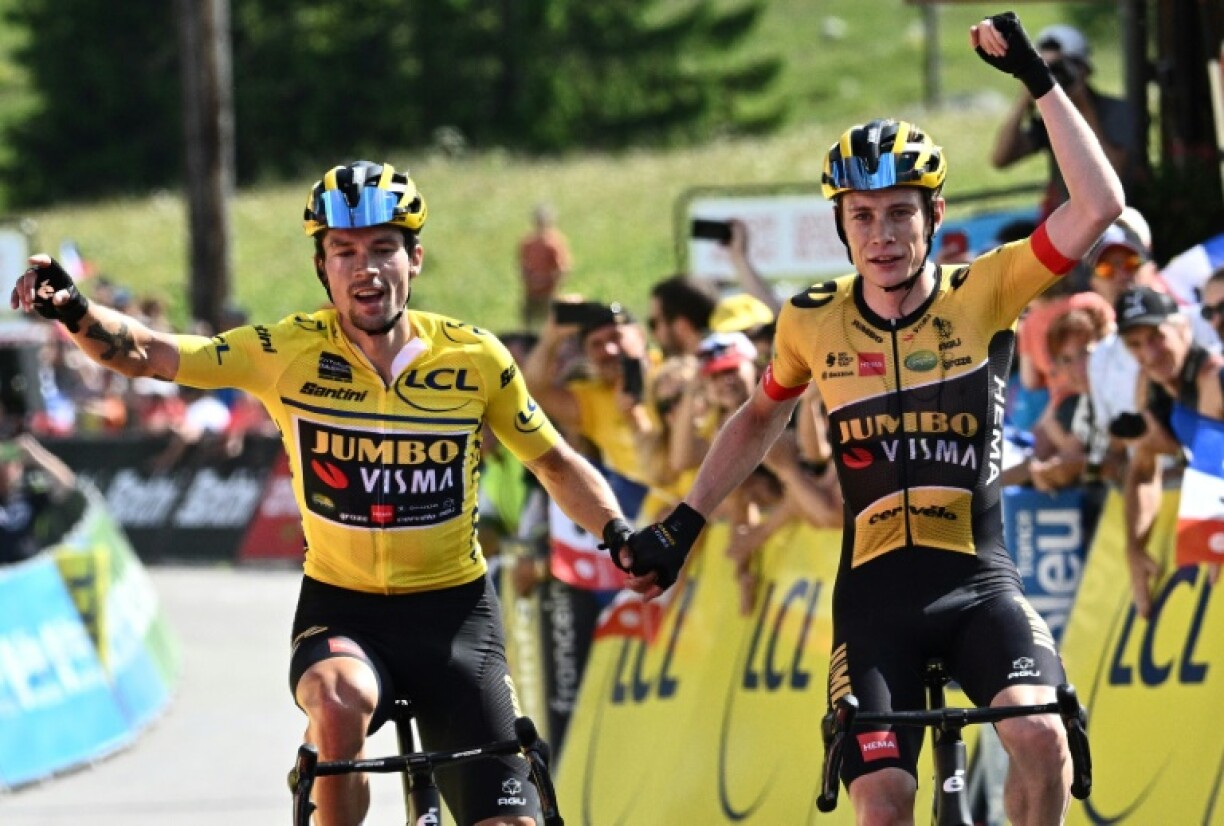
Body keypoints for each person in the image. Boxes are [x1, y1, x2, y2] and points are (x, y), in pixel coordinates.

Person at [605, 13, 1124, 825]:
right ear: (841, 225)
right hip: (874, 598)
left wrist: (1039, 82)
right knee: (882, 802)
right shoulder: (811, 320)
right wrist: (683, 524)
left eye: (898, 213)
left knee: (1039, 731)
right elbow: (755, 418)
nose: (881, 234)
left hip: (978, 582)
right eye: (862, 216)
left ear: (933, 216)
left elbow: (1099, 205)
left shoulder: (984, 290)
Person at [11, 160, 633, 826]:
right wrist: (73, 309)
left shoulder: (476, 358)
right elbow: (152, 355)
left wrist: (624, 538)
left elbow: (558, 464)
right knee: (339, 708)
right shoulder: (286, 351)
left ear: (414, 259)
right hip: (345, 614)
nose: (366, 268)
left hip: (455, 618)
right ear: (322, 267)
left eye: (383, 249)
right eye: (345, 252)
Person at [1115, 286, 1224, 619]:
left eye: (1156, 337)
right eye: (1135, 344)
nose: (1148, 353)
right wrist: (1135, 549)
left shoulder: (1214, 376)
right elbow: (1144, 470)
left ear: (1183, 329)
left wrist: (1211, 534)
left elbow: (1214, 465)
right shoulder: (1148, 386)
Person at [991, 21, 1141, 221]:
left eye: (1061, 68)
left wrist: (1083, 106)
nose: (1055, 77)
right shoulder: (1051, 117)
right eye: (1047, 70)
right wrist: (1025, 96)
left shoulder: (1116, 111)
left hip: (1113, 222)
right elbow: (1001, 159)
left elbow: (1114, 171)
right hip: (1069, 224)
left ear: (1085, 70)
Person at [0, 432, 78, 564]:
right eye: (3, 465)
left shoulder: (30, 494)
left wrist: (36, 454)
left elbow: (67, 484)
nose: (8, 470)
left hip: (28, 566)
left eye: (12, 464)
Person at [518, 203, 572, 331]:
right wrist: (529, 280)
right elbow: (522, 265)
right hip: (531, 291)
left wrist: (551, 283)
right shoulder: (528, 242)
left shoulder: (554, 243)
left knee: (549, 324)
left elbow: (562, 269)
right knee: (528, 323)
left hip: (548, 292)